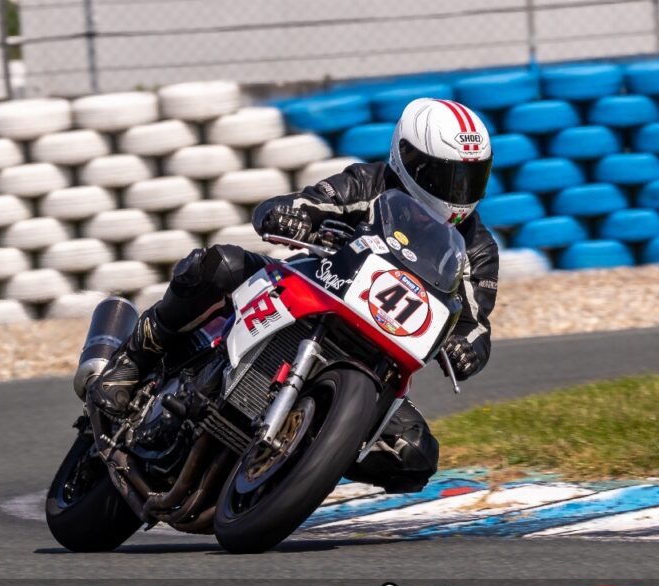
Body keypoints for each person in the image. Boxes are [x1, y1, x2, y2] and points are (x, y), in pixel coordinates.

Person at [89, 97, 500, 493]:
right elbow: (311, 201)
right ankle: (133, 360)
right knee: (218, 265)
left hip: (379, 357)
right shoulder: (369, 183)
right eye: (448, 177)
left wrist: (466, 348)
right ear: (410, 160)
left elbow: (476, 324)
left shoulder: (478, 247)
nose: (459, 192)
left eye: (472, 177)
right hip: (313, 296)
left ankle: (303, 459)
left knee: (415, 455)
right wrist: (293, 214)